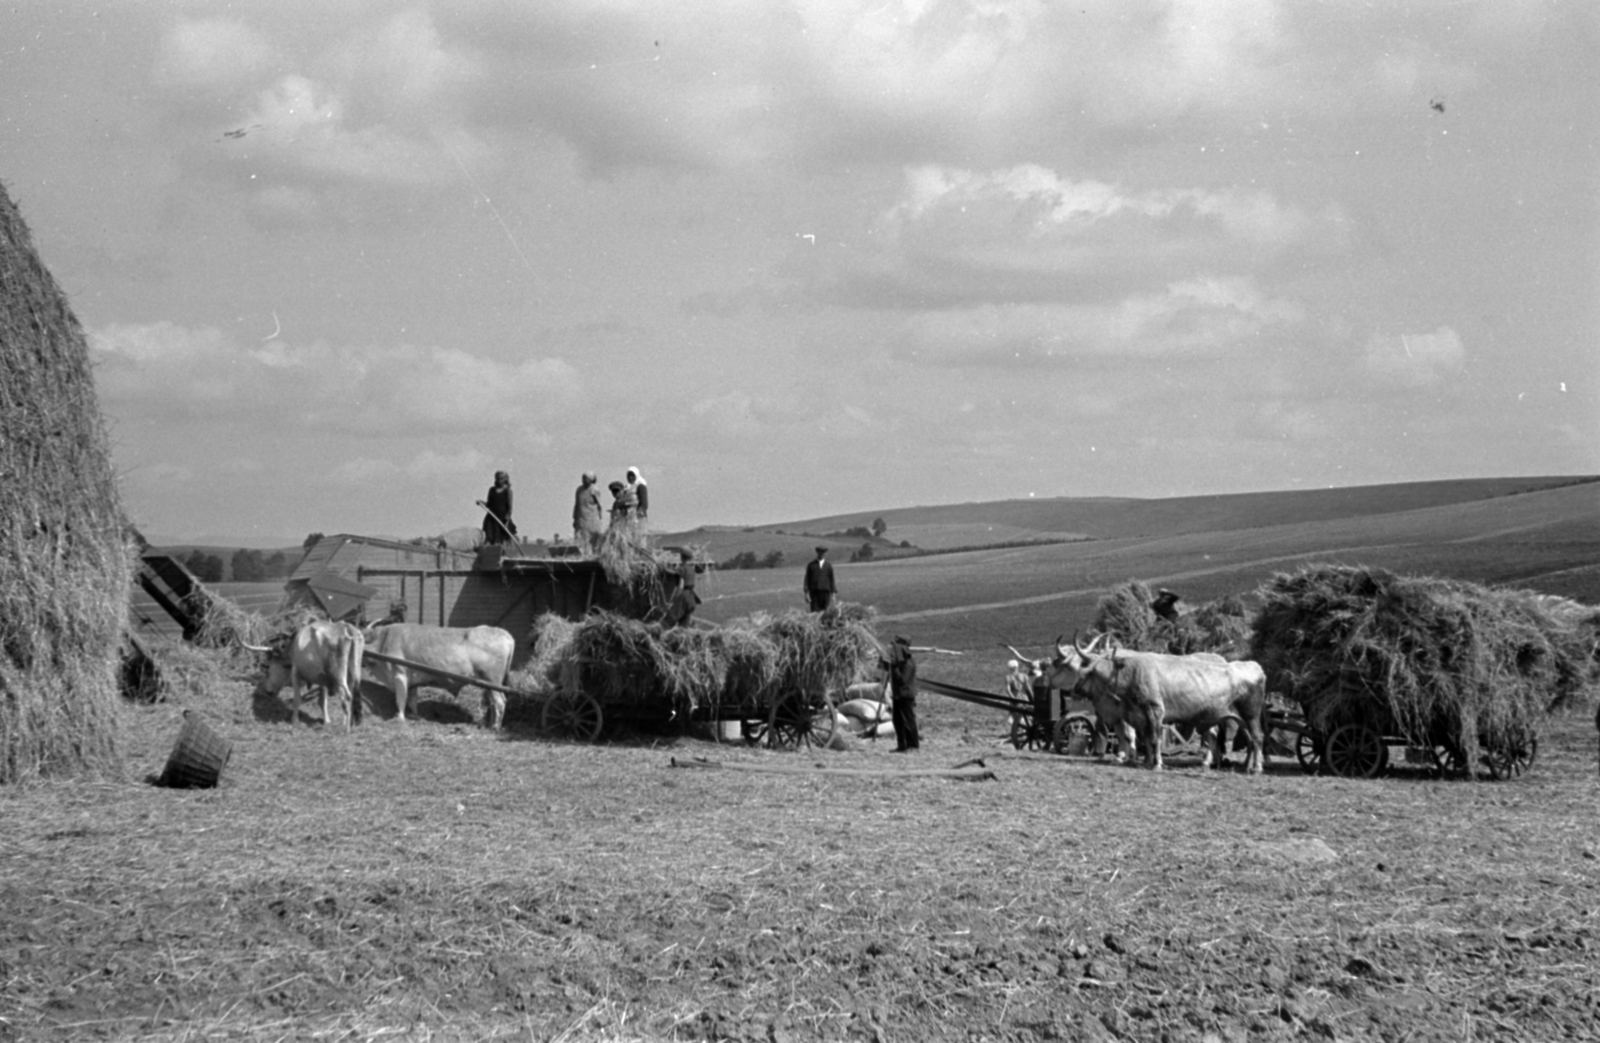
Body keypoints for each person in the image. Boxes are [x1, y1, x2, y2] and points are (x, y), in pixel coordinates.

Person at [881, 635, 920, 752]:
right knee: (898, 721)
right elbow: (887, 672)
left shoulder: (908, 662)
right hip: (898, 695)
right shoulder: (899, 662)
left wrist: (893, 667)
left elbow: (902, 680)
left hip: (906, 695)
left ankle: (913, 746)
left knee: (908, 721)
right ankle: (902, 745)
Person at [663, 548, 702, 628]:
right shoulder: (691, 569)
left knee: (668, 621)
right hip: (692, 598)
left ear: (681, 557)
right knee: (684, 626)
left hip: (684, 596)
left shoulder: (682, 568)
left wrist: (663, 568)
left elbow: (674, 574)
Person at [572, 472, 605, 554]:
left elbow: (599, 505)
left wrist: (600, 518)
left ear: (591, 480)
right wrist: (575, 518)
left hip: (592, 520)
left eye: (585, 479)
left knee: (594, 541)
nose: (583, 480)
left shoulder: (594, 490)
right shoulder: (579, 490)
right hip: (581, 520)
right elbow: (577, 505)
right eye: (582, 478)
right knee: (581, 541)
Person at [482, 471, 516, 545]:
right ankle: (488, 552)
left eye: (501, 479)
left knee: (500, 537)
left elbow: (510, 508)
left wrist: (507, 520)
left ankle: (500, 552)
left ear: (505, 479)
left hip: (502, 518)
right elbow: (489, 504)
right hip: (492, 516)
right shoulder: (492, 490)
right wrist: (481, 502)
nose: (499, 480)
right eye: (497, 479)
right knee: (489, 535)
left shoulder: (508, 491)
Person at [803, 546, 835, 612]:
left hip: (826, 593)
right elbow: (807, 579)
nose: (821, 554)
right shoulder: (811, 565)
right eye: (820, 552)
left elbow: (832, 580)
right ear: (817, 552)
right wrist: (806, 594)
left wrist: (833, 595)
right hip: (814, 593)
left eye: (823, 552)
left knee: (826, 613)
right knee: (815, 613)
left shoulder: (828, 566)